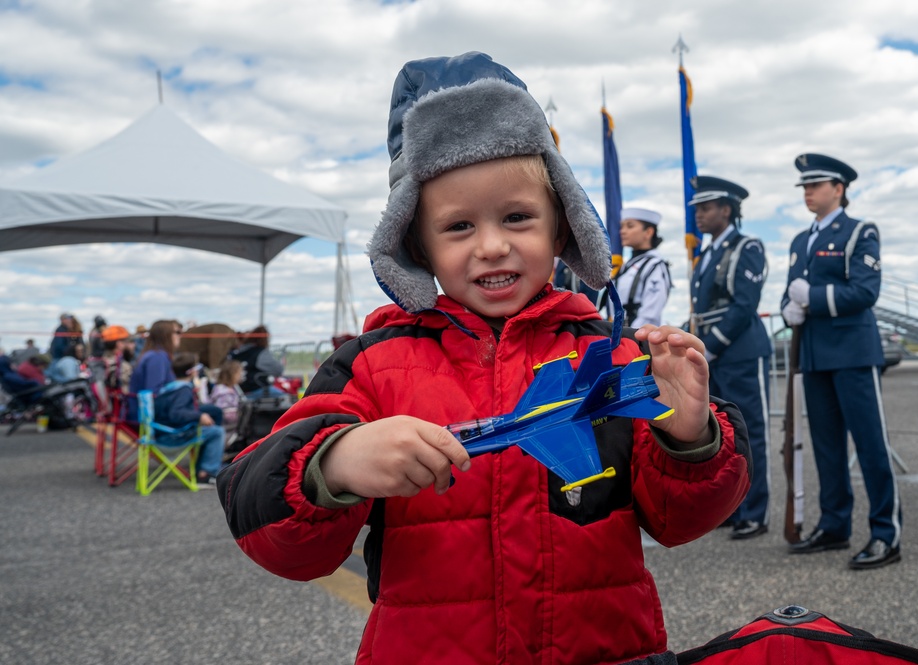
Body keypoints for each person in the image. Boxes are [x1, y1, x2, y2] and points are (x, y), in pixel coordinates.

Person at [217, 52, 750, 664]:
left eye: (518, 217)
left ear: (562, 228)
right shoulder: (370, 365)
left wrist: (692, 436)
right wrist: (331, 464)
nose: (493, 246)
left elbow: (681, 522)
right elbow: (269, 528)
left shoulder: (615, 356)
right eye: (459, 226)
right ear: (416, 245)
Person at [781, 153, 901, 570]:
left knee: (871, 445)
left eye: (815, 185)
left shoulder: (859, 231)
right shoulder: (801, 240)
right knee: (827, 447)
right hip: (814, 355)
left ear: (839, 189)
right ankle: (834, 525)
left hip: (853, 353)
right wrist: (787, 310)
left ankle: (886, 533)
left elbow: (865, 292)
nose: (808, 192)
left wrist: (810, 300)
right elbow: (790, 292)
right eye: (804, 187)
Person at [689, 176, 772, 540]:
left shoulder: (746, 246)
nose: (699, 216)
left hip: (740, 351)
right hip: (714, 352)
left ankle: (756, 512)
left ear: (727, 209)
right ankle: (733, 508)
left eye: (706, 208)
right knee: (723, 435)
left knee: (750, 433)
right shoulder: (707, 254)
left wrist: (711, 345)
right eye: (696, 210)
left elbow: (744, 305)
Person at [154, 352, 225, 486]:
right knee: (216, 432)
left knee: (212, 415)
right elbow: (176, 413)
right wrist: (199, 416)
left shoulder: (169, 387)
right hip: (173, 436)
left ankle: (203, 467)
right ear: (191, 372)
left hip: (160, 432)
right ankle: (205, 473)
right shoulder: (184, 390)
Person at [615, 207, 673, 327]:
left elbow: (650, 313)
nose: (622, 231)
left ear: (648, 232)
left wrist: (631, 337)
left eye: (630, 226)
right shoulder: (627, 266)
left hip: (639, 337)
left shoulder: (654, 266)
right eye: (622, 226)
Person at [128, 320, 183, 420]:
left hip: (147, 413)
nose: (180, 336)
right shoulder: (157, 357)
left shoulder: (156, 354)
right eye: (178, 332)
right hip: (149, 419)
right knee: (214, 426)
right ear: (165, 335)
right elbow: (154, 393)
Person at [227, 325, 283, 397]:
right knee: (288, 399)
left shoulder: (236, 353)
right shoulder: (260, 353)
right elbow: (279, 370)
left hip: (237, 393)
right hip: (255, 391)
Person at [208, 359, 244, 442]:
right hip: (227, 430)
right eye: (238, 373)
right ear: (231, 374)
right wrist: (240, 414)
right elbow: (222, 412)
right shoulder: (224, 393)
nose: (240, 375)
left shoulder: (232, 388)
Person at [101, 325, 136, 393]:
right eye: (127, 342)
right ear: (119, 344)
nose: (133, 345)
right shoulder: (121, 365)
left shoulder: (104, 360)